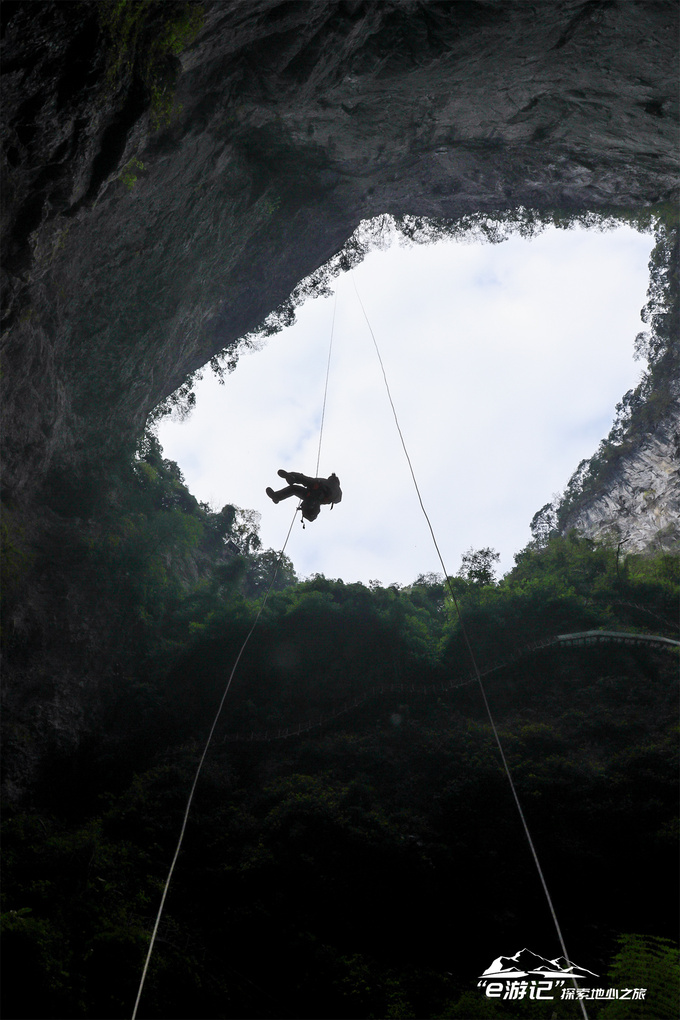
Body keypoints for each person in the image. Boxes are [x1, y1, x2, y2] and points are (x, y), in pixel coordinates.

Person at [266, 469, 342, 523]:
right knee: (294, 489)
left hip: (315, 487)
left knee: (303, 479)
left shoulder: (327, 481)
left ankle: (292, 477)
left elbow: (312, 480)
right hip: (314, 497)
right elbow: (336, 500)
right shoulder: (338, 491)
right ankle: (276, 496)